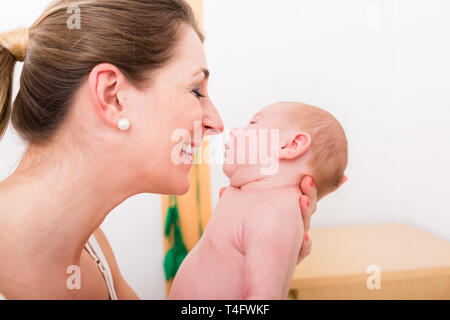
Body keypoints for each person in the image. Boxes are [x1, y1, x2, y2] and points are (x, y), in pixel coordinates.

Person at [0, 0, 317, 300]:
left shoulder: (90, 248)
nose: (217, 123)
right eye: (196, 90)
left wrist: (245, 274)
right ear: (113, 96)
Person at [169, 102, 348, 299]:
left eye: (253, 123)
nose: (235, 131)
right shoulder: (251, 198)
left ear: (292, 145)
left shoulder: (274, 213)